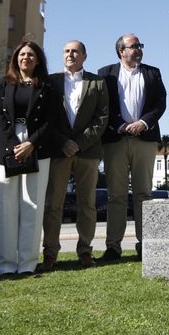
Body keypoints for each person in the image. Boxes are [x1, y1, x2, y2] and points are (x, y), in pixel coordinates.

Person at [0, 40, 60, 276]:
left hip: (37, 147)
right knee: (4, 207)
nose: (26, 58)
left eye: (31, 55)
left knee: (32, 205)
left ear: (38, 59)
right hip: (6, 146)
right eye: (22, 54)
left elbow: (52, 120)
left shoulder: (48, 86)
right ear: (16, 58)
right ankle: (6, 265)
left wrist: (31, 143)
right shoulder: (2, 85)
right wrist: (14, 146)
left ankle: (28, 264)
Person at [41, 41, 109, 271]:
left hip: (87, 152)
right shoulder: (51, 82)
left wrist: (79, 143)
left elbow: (101, 118)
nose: (70, 54)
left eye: (75, 51)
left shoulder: (97, 83)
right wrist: (63, 142)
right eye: (66, 51)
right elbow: (46, 118)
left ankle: (85, 250)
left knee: (87, 204)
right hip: (59, 151)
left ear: (84, 56)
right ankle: (50, 253)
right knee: (53, 204)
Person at [96, 34, 166, 259]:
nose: (138, 49)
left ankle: (145, 244)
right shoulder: (105, 74)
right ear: (121, 51)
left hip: (145, 139)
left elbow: (160, 103)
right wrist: (122, 126)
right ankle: (113, 246)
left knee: (143, 193)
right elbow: (102, 106)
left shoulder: (152, 73)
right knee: (115, 195)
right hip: (115, 139)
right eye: (133, 46)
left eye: (139, 45)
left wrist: (142, 123)